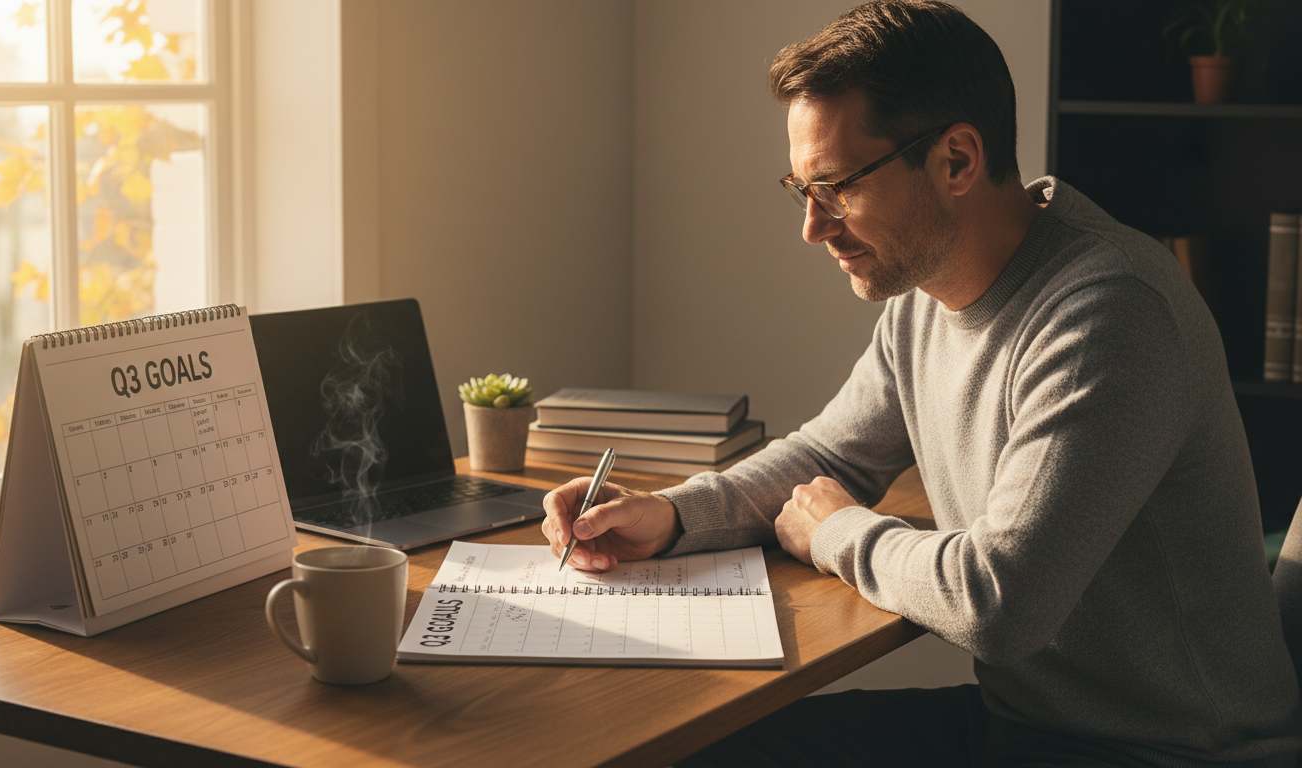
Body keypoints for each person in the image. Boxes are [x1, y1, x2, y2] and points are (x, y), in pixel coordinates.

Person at [540, 1, 1301, 765]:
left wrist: (837, 532)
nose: (813, 226)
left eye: (836, 186)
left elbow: (998, 604)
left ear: (957, 161)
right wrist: (670, 515)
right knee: (693, 749)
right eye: (800, 188)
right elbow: (829, 457)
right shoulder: (926, 303)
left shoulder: (1111, 312)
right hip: (1030, 727)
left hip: (1170, 754)